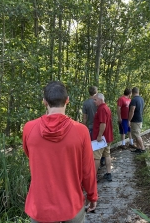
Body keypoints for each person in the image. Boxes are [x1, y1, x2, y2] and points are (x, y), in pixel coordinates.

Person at [22, 81, 98, 223]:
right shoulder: (81, 131)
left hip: (40, 207)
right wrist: (92, 196)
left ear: (44, 102)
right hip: (71, 205)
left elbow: (30, 156)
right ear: (67, 100)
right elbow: (88, 169)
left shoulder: (29, 129)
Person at [92, 93, 114, 181]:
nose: (94, 102)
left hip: (101, 139)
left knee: (96, 157)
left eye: (95, 100)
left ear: (100, 100)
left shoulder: (101, 109)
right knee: (107, 155)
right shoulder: (106, 108)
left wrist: (99, 135)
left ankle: (93, 177)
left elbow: (103, 123)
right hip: (107, 137)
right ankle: (109, 173)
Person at [82, 86, 105, 167]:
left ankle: (93, 163)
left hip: (91, 127)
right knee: (101, 144)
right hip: (101, 126)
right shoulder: (100, 100)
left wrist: (84, 128)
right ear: (97, 91)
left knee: (93, 146)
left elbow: (85, 118)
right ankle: (102, 159)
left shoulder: (86, 103)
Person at [128, 87, 146, 154]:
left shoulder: (134, 100)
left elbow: (132, 110)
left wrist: (129, 120)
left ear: (132, 92)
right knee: (136, 135)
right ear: (138, 92)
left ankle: (143, 149)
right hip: (139, 119)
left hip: (135, 120)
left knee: (137, 135)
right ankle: (138, 148)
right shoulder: (141, 99)